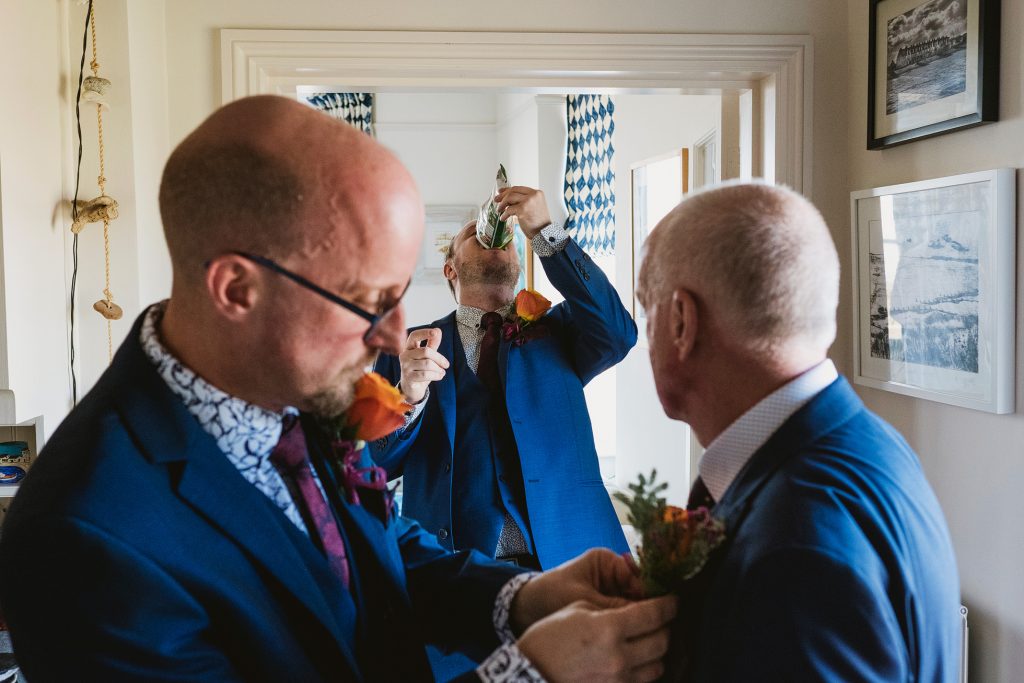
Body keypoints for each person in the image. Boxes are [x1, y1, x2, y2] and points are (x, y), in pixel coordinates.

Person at [0, 95, 677, 682]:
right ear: (237, 288)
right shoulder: (85, 539)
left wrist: (520, 598)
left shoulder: (289, 393)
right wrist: (531, 672)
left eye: (400, 294)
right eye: (364, 301)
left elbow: (370, 548)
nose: (391, 336)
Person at [636, 182, 961, 681]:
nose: (644, 335)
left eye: (646, 307)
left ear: (682, 321)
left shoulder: (794, 554)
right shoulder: (869, 442)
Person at [371, 188, 635, 575]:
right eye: (470, 235)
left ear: (519, 263)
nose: (492, 236)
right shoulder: (408, 349)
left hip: (571, 559)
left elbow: (620, 332)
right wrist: (408, 396)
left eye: (505, 237)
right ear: (451, 269)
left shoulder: (561, 330)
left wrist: (545, 231)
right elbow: (377, 463)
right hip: (458, 573)